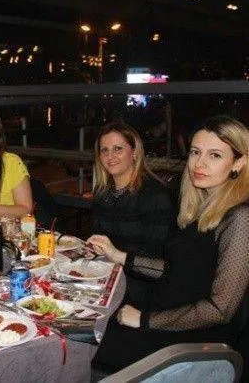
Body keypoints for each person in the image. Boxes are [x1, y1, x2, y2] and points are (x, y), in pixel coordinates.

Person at [90, 116, 249, 373]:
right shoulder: (200, 209)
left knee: (90, 344)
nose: (199, 163)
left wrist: (145, 319)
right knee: (86, 330)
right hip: (165, 310)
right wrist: (118, 255)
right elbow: (177, 271)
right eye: (195, 152)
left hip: (192, 336)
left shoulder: (240, 217)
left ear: (238, 163)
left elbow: (220, 310)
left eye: (215, 155)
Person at [91, 121, 174, 258]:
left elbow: (157, 258)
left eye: (118, 149)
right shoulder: (101, 193)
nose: (110, 156)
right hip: (106, 268)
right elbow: (99, 240)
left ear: (134, 152)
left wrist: (116, 255)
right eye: (104, 150)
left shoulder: (154, 194)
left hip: (141, 272)